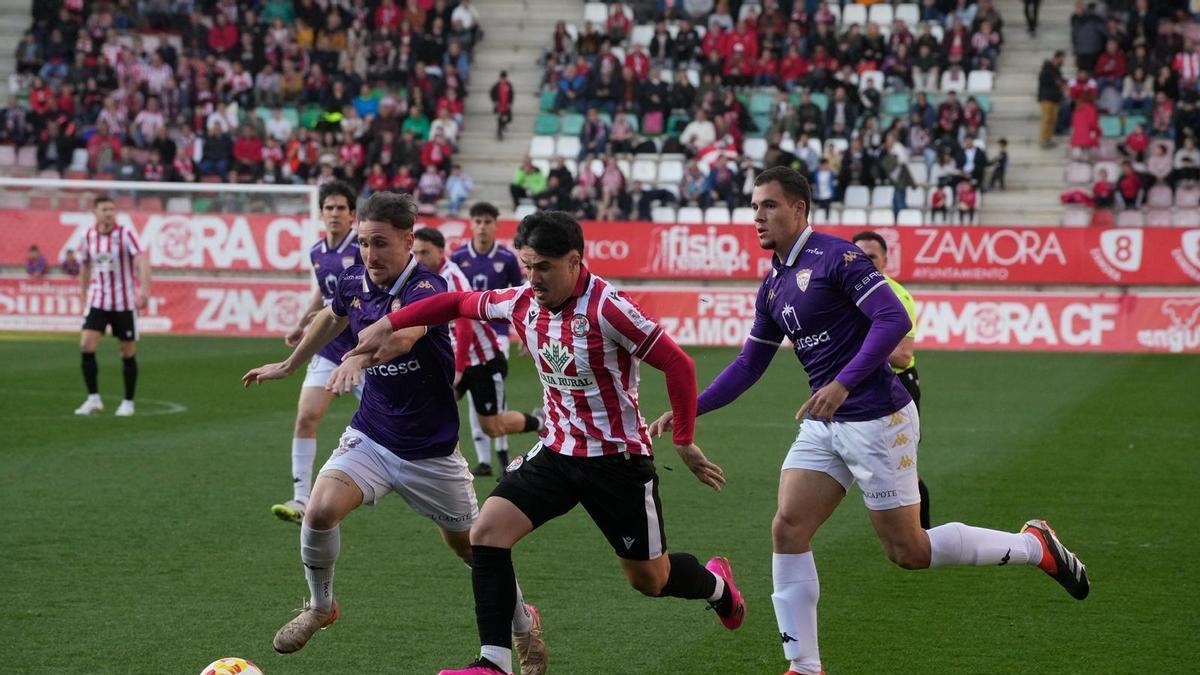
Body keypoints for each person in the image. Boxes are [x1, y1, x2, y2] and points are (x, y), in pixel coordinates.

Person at [650, 167, 1089, 675]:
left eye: (769, 206)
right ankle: (804, 666)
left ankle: (1034, 546)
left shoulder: (837, 256)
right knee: (788, 529)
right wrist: (690, 409)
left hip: (878, 417)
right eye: (753, 208)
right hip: (824, 420)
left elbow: (893, 319)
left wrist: (843, 383)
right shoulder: (772, 283)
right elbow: (750, 363)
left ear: (799, 209)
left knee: (908, 551)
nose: (758, 217)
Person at [348, 211, 746, 675]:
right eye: (527, 265)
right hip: (557, 452)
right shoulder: (521, 301)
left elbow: (679, 364)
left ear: (575, 261)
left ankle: (718, 586)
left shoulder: (609, 308)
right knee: (486, 534)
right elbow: (455, 303)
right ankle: (493, 662)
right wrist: (389, 323)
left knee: (650, 580)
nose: (532, 279)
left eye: (543, 268)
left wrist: (684, 439)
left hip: (616, 461)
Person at [241, 192, 546, 672]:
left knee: (475, 551)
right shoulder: (353, 278)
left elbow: (403, 336)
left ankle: (525, 625)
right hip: (373, 437)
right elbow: (331, 314)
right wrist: (289, 361)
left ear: (408, 239)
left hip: (431, 454)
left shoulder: (428, 287)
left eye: (380, 244)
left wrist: (358, 357)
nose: (369, 255)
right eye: (363, 243)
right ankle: (321, 606)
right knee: (318, 511)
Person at [271, 181, 364, 525]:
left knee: (393, 419)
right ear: (321, 213)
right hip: (329, 346)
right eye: (330, 208)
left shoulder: (364, 248)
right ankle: (300, 497)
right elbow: (321, 293)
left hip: (364, 351)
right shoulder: (317, 251)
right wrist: (301, 324)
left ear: (353, 214)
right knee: (307, 416)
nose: (335, 213)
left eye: (342, 208)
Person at [414, 226, 545, 447]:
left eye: (424, 252)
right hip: (458, 358)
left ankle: (540, 422)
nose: (419, 258)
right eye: (415, 253)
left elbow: (464, 326)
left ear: (440, 251)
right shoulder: (428, 277)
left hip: (483, 361)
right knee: (430, 410)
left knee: (493, 427)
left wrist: (458, 370)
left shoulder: (450, 278)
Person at [851, 231, 932, 529]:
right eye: (859, 255)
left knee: (904, 466)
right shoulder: (843, 292)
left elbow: (901, 356)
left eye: (872, 256)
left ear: (885, 260)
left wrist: (856, 349)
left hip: (897, 386)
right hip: (858, 384)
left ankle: (922, 532)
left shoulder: (898, 297)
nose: (866, 261)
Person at [449, 202, 524, 477]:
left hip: (498, 335)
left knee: (494, 391)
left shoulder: (505, 257)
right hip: (466, 336)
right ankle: (483, 459)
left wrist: (523, 335)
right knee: (473, 397)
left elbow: (520, 296)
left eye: (487, 221)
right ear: (471, 223)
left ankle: (502, 449)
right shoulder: (458, 257)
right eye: (477, 221)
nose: (482, 226)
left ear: (495, 224)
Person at [75, 195, 151, 417]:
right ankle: (93, 399)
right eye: (104, 209)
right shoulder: (87, 235)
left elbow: (142, 260)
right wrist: (82, 293)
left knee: (126, 352)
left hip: (124, 303)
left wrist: (144, 289)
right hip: (98, 300)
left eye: (112, 209)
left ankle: (128, 402)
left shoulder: (125, 234)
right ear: (95, 213)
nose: (109, 212)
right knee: (86, 346)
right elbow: (85, 265)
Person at [1038, 51, 1066, 149]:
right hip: (1046, 97)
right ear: (1057, 58)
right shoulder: (1047, 68)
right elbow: (1044, 80)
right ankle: (1043, 140)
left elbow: (1061, 81)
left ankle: (1048, 139)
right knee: (1046, 119)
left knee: (1053, 120)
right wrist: (1057, 82)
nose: (1063, 61)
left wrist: (1063, 83)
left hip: (1055, 98)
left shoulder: (1057, 70)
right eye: (1062, 59)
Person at [490, 70, 514, 141]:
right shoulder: (496, 85)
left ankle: (503, 125)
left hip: (506, 105)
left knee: (509, 119)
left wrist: (510, 103)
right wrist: (495, 101)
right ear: (500, 78)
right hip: (499, 106)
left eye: (504, 79)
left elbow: (512, 95)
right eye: (502, 79)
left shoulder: (509, 85)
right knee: (500, 120)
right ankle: (499, 134)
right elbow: (491, 93)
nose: (503, 80)